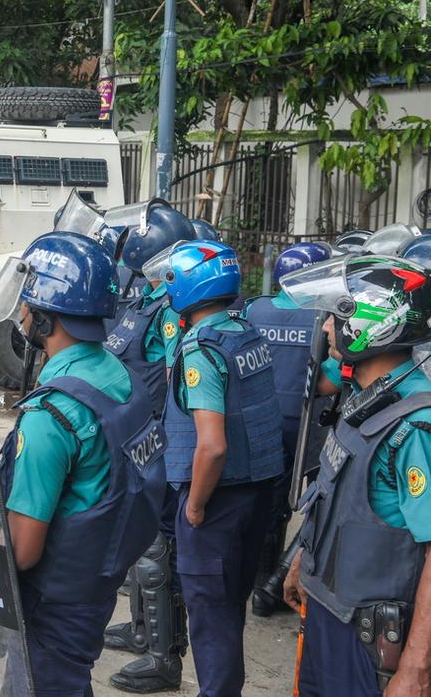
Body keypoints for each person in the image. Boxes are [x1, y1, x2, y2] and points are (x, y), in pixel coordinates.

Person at [0, 230, 167, 695]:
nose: (22, 312)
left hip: (55, 596)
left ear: (46, 319)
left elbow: (24, 550)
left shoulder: (50, 417)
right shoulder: (121, 376)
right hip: (99, 577)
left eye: (28, 303)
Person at [280, 254, 431, 697]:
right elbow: (336, 492)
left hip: (371, 640)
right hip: (331, 612)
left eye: (335, 316)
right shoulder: (366, 397)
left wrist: (416, 670)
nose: (327, 328)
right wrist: (303, 564)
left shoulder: (415, 427)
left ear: (373, 322)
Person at [160, 239, 283, 697]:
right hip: (256, 494)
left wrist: (194, 506)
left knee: (210, 619)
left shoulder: (201, 349)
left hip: (216, 499)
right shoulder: (245, 331)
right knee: (229, 608)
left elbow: (211, 447)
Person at [101, 205, 196, 693]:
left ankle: (163, 657)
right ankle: (141, 630)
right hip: (133, 436)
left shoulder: (171, 310)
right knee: (138, 542)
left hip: (156, 442)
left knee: (157, 551)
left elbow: (176, 381)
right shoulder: (145, 300)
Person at [241, 241, 332, 617]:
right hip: (311, 428)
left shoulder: (255, 309)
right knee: (316, 505)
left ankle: (260, 580)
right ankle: (279, 584)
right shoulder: (325, 317)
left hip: (262, 423)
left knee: (268, 501)